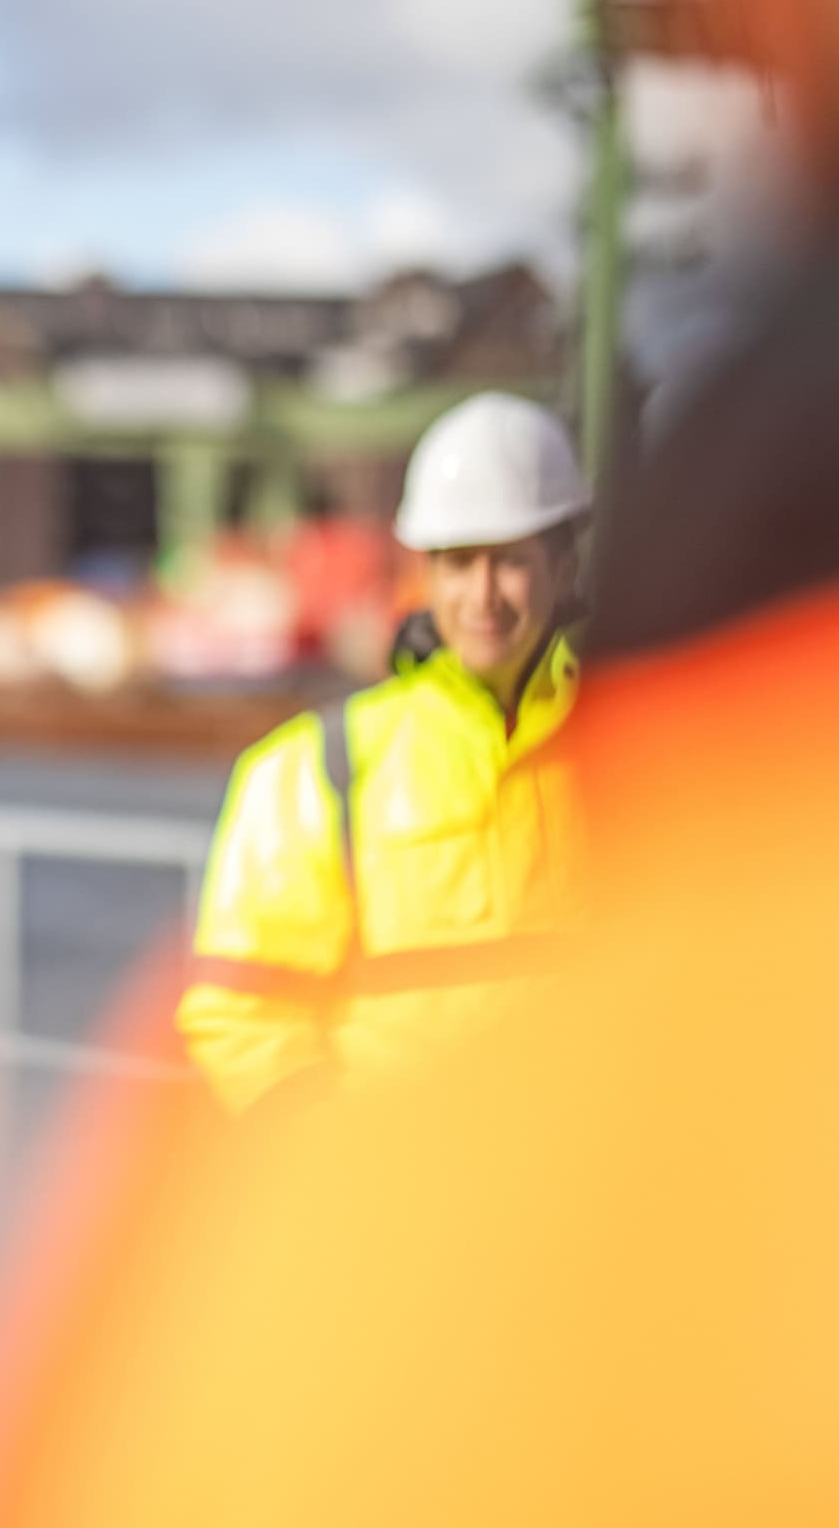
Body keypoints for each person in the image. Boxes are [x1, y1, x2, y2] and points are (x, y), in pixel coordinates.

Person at [177, 391, 591, 1113]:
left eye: (509, 562)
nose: (483, 595)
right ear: (425, 574)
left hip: (600, 1193)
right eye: (459, 564)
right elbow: (241, 1010)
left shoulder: (631, 741)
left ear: (561, 567)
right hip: (405, 1198)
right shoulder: (317, 769)